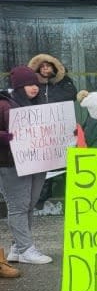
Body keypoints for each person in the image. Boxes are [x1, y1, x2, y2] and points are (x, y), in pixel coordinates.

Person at [0, 66, 53, 265]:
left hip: (37, 161)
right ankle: (26, 249)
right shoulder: (4, 105)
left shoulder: (38, 104)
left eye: (36, 84)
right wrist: (10, 136)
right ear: (19, 86)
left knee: (29, 204)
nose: (35, 88)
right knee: (18, 206)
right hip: (11, 163)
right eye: (30, 84)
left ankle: (17, 247)